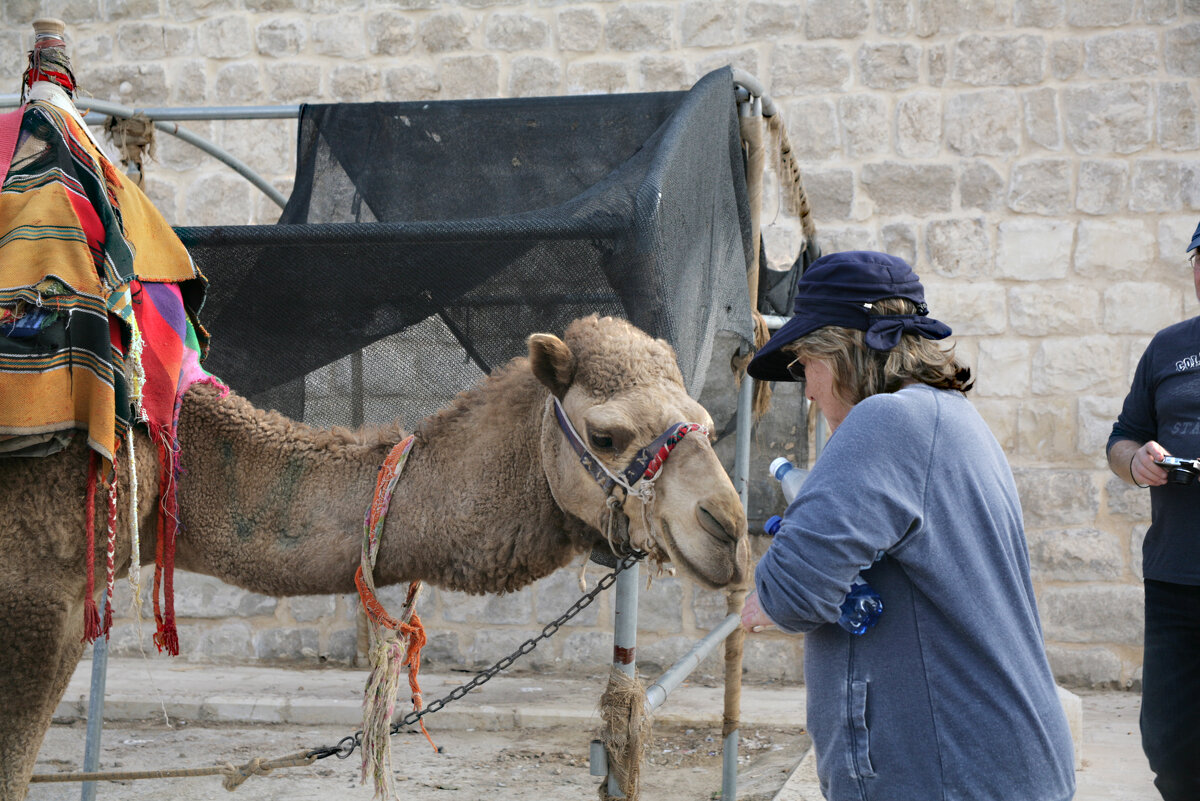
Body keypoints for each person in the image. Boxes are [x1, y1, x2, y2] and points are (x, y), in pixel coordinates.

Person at [741, 250, 1075, 801]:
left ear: (842, 351)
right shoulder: (949, 416)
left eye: (805, 364)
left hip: (949, 774)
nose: (806, 390)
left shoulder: (886, 421)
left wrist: (776, 587)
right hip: (985, 766)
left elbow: (790, 593)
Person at [1105, 220, 1200, 801]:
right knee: (1168, 742)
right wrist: (1135, 459)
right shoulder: (1169, 346)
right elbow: (1121, 439)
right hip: (1173, 577)